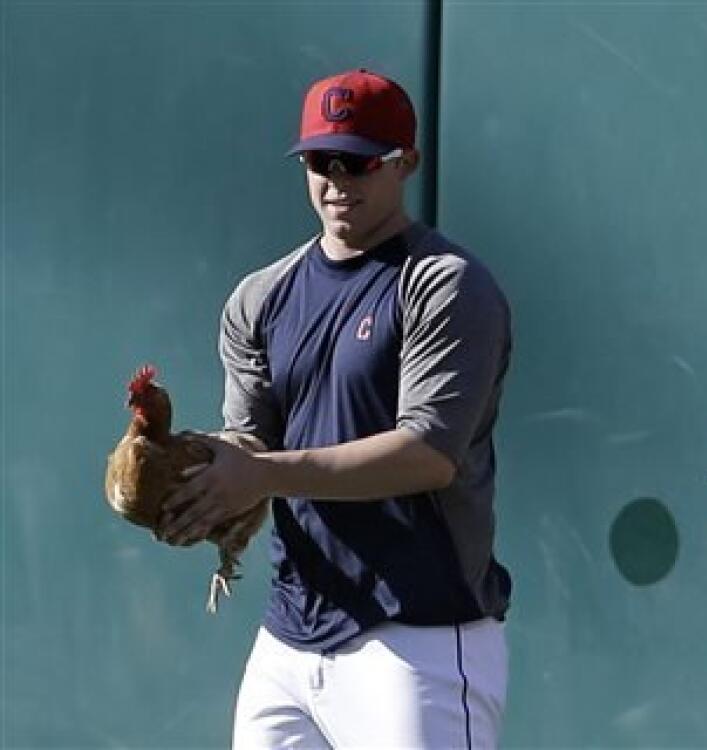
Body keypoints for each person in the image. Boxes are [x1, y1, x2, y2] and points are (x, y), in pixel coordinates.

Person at [159, 68, 513, 749]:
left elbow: (429, 455)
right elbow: (253, 447)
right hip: (289, 641)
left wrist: (262, 475)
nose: (336, 180)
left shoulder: (444, 283)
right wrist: (198, 476)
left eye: (359, 161)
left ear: (406, 162)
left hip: (419, 639)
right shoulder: (260, 297)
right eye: (321, 161)